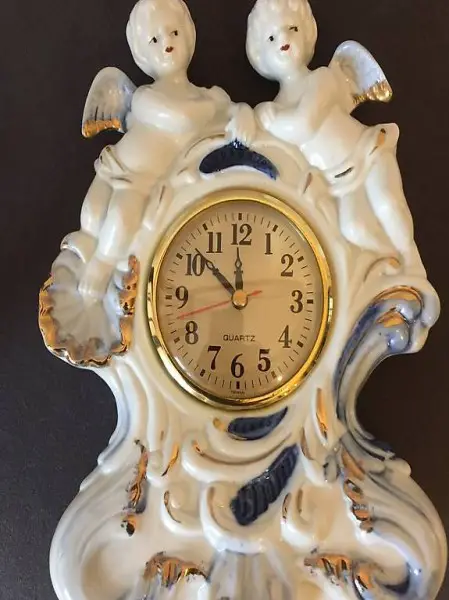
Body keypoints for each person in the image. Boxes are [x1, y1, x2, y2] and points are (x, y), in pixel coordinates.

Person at [78, 0, 253, 298]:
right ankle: (94, 259)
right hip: (118, 167)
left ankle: (102, 267)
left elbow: (236, 112)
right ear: (141, 53)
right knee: (92, 216)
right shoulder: (145, 96)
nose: (167, 43)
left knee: (121, 219)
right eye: (154, 40)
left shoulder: (211, 97)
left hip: (145, 183)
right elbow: (181, 117)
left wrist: (244, 113)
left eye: (174, 33)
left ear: (189, 35)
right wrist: (214, 107)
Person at [247, 0, 418, 265]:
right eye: (271, 37)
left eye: (292, 28)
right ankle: (392, 264)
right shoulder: (276, 108)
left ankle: (411, 260)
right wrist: (255, 116)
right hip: (337, 182)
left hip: (367, 152)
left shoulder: (321, 79)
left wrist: (267, 119)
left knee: (387, 204)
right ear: (259, 54)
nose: (284, 39)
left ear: (307, 32)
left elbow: (304, 124)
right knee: (354, 229)